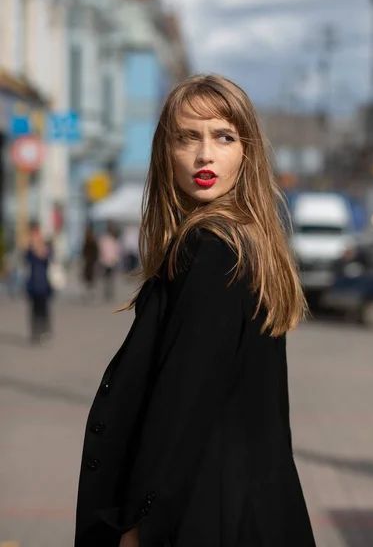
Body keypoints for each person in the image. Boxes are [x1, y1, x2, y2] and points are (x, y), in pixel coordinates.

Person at [75, 74, 316, 547]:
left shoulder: (213, 250)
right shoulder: (250, 243)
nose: (205, 154)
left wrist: (138, 526)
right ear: (167, 151)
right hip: (248, 510)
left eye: (223, 137)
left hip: (202, 518)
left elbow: (180, 408)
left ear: (246, 152)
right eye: (188, 137)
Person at [25, 223, 53, 344]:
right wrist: (32, 248)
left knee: (44, 310)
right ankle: (35, 333)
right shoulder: (29, 252)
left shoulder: (45, 251)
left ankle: (45, 332)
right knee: (34, 311)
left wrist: (42, 249)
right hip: (33, 286)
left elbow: (49, 257)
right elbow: (27, 258)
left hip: (44, 286)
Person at [98, 223, 120, 302]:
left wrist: (116, 258)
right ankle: (107, 293)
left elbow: (116, 250)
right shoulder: (105, 239)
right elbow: (101, 250)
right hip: (106, 261)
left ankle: (109, 293)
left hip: (110, 261)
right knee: (107, 278)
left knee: (109, 279)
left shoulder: (111, 239)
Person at [81, 224, 99, 301]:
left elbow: (96, 253)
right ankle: (88, 294)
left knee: (91, 279)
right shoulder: (87, 242)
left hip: (91, 263)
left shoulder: (92, 242)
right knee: (88, 279)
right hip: (88, 263)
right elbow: (83, 253)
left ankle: (90, 293)